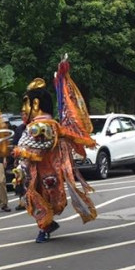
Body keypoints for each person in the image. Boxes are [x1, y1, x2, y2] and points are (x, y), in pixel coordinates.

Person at [13, 62, 97, 243]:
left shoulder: (44, 126)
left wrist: (21, 157)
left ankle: (45, 227)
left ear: (35, 104)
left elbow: (37, 147)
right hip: (35, 171)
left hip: (47, 170)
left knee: (41, 199)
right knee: (34, 199)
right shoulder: (39, 126)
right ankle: (46, 225)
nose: (23, 109)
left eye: (26, 104)